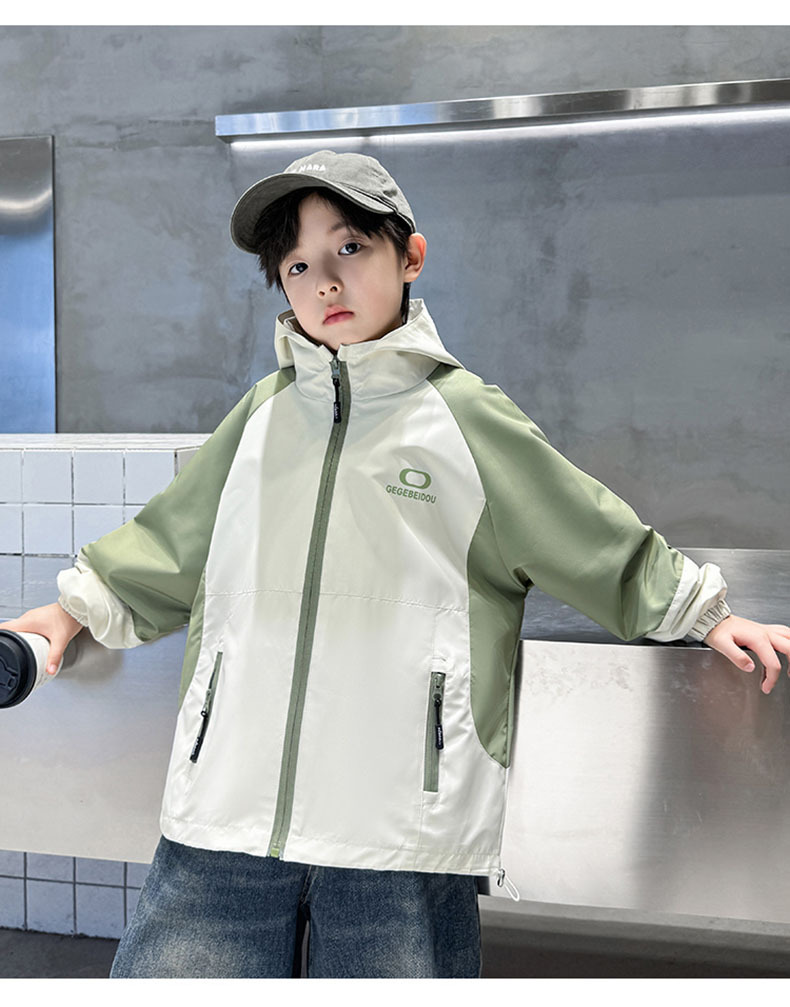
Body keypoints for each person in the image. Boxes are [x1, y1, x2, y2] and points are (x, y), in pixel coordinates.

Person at [3, 149, 789, 979]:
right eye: (297, 265)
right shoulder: (262, 418)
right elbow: (170, 543)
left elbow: (583, 530)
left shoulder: (463, 417)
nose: (324, 283)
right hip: (227, 808)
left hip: (399, 827)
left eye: (349, 248)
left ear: (410, 256)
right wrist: (74, 608)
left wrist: (700, 609)